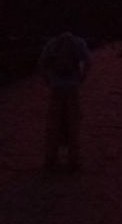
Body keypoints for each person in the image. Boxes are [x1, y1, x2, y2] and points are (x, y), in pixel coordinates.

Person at [39, 31, 91, 171]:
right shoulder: (79, 42)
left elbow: (42, 62)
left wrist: (47, 80)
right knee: (73, 123)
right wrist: (82, 78)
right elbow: (88, 61)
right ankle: (73, 159)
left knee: (53, 123)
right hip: (72, 86)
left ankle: (50, 158)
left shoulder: (52, 42)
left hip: (56, 87)